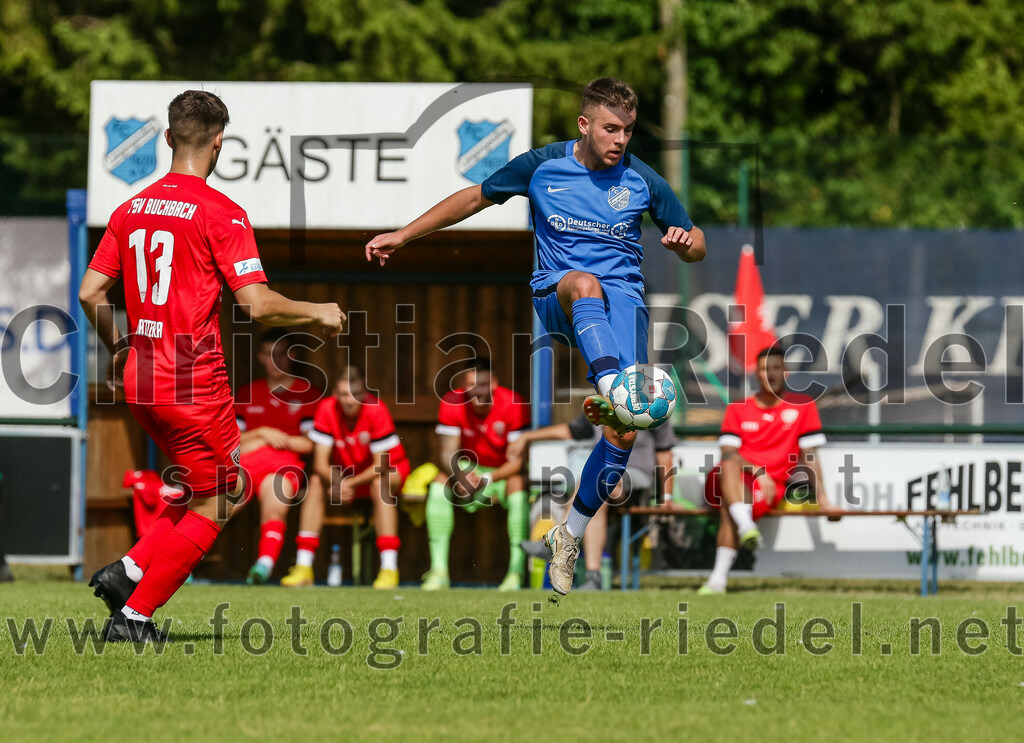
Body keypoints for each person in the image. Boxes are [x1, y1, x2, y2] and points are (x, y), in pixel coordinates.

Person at [366, 77, 705, 595]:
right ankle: (612, 387)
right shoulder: (543, 166)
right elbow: (475, 197)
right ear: (584, 125)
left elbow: (695, 240)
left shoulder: (642, 180)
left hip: (624, 311)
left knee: (623, 435)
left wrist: (686, 245)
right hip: (560, 293)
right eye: (611, 128)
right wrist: (406, 234)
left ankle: (568, 535)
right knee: (584, 285)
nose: (621, 140)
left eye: (629, 130)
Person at [80, 90, 343, 642]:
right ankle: (134, 616)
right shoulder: (222, 213)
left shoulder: (130, 210)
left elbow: (89, 293)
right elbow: (258, 304)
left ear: (169, 137)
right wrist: (318, 312)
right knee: (227, 493)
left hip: (140, 379)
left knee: (206, 489)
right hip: (190, 381)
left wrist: (121, 346)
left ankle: (125, 571)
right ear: (220, 141)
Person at [700, 346, 836, 594]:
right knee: (728, 467)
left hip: (766, 490)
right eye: (764, 368)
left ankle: (717, 581)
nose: (770, 373)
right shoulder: (739, 407)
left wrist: (824, 500)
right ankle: (746, 526)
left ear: (785, 372)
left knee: (730, 507)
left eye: (775, 367)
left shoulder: (803, 407)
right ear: (757, 375)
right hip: (727, 479)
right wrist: (760, 472)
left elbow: (811, 457)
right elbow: (728, 453)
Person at [509, 412, 675, 590]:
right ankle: (592, 577)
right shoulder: (602, 404)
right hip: (605, 476)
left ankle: (560, 541)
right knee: (596, 484)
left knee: (598, 479)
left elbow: (664, 455)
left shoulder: (652, 405)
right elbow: (569, 430)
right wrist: (527, 436)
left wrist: (666, 497)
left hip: (636, 480)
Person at [421, 358, 530, 591]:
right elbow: (447, 452)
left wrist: (487, 479)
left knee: (518, 485)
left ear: (494, 383)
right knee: (438, 485)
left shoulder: (513, 402)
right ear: (463, 385)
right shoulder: (452, 401)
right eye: (471, 385)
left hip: (500, 474)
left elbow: (517, 463)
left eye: (482, 385)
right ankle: (439, 571)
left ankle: (516, 572)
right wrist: (461, 476)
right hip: (464, 470)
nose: (477, 391)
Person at [306, 366, 411, 589]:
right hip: (348, 477)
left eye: (356, 394)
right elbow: (320, 463)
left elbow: (381, 465)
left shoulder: (376, 409)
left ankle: (389, 569)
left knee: (379, 484)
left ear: (364, 393)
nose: (350, 400)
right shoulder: (327, 409)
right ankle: (303, 567)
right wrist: (339, 482)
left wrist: (347, 483)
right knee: (315, 481)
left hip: (387, 472)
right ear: (336, 394)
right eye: (344, 394)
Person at [236, 328, 323, 585]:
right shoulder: (246, 393)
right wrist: (263, 433)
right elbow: (233, 442)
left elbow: (309, 444)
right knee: (221, 504)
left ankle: (263, 565)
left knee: (276, 499)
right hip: (248, 464)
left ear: (292, 356)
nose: (275, 360)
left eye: (281, 354)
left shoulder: (308, 394)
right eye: (268, 354)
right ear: (260, 357)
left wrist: (275, 438)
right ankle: (186, 564)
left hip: (284, 466)